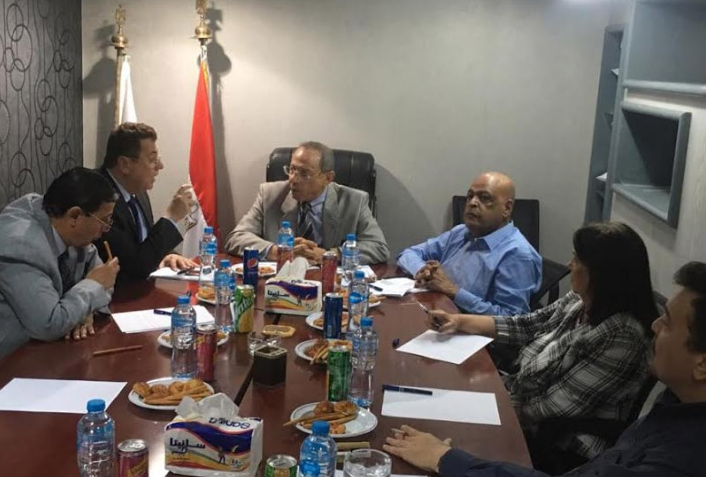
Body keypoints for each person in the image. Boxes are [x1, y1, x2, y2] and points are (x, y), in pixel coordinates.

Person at [382, 261, 706, 477]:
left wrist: (447, 459)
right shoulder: (676, 404)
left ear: (702, 364)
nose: (654, 326)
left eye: (668, 323)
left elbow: (549, 409)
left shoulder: (681, 458)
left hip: (550, 435)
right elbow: (528, 324)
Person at [0, 167, 121, 373]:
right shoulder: (19, 247)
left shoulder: (62, 224)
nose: (106, 229)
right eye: (104, 220)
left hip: (41, 355)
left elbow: (103, 274)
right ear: (75, 216)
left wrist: (86, 310)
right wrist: (92, 289)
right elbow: (50, 324)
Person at [397, 172, 541, 316]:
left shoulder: (517, 254)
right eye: (470, 196)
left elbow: (510, 320)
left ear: (507, 208)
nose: (472, 203)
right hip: (433, 312)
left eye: (485, 198)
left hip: (465, 326)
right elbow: (408, 253)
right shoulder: (461, 232)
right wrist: (423, 271)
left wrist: (453, 291)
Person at [225, 141, 389, 264]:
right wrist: (276, 251)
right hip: (280, 285)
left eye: (305, 174)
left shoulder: (354, 201)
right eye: (291, 170)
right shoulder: (270, 195)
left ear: (328, 178)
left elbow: (379, 248)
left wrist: (330, 255)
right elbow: (236, 238)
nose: (293, 179)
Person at [95, 122, 197, 286]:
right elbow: (134, 267)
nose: (160, 166)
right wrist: (170, 218)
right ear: (125, 164)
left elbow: (145, 244)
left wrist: (167, 255)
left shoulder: (138, 191)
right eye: (152, 160)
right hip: (117, 295)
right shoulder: (100, 199)